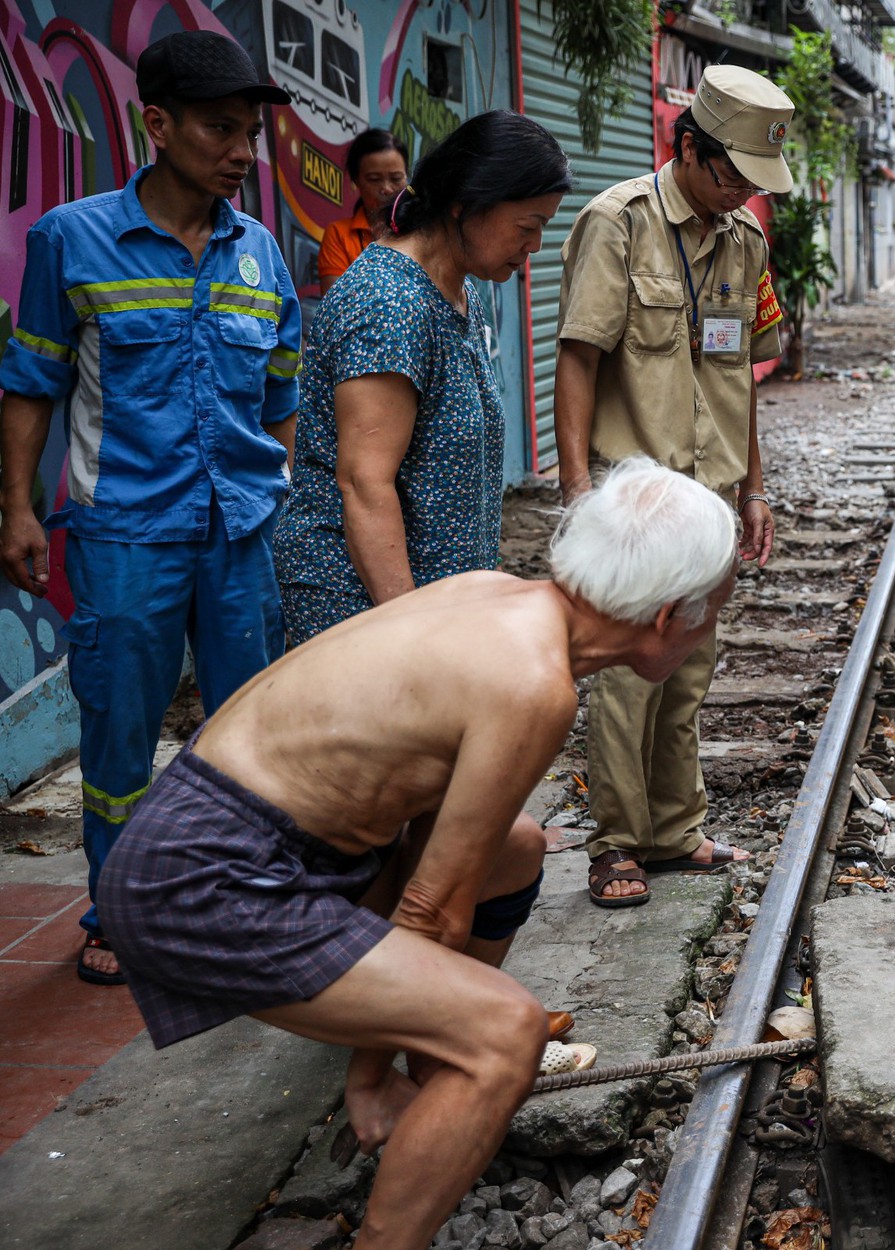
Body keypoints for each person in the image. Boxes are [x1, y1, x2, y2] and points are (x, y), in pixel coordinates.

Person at [97, 458, 738, 1250]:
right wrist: (370, 1078)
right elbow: (433, 906)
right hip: (204, 877)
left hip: (216, 842)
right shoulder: (534, 684)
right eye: (716, 613)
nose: (714, 629)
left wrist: (384, 1066)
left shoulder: (490, 592)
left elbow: (437, 845)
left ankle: (442, 1085)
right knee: (506, 1032)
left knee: (518, 849)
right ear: (670, 614)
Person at [0, 30, 300, 987]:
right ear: (157, 123)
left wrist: (274, 500)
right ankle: (117, 909)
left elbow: (282, 399)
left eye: (249, 132)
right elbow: (29, 386)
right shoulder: (71, 239)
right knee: (119, 734)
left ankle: (236, 897)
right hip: (125, 532)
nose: (241, 152)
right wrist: (16, 509)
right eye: (220, 129)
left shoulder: (263, 256)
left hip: (240, 535)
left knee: (246, 733)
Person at [553, 66, 792, 906]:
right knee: (625, 677)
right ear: (687, 146)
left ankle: (675, 828)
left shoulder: (746, 241)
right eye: (731, 176)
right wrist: (579, 491)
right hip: (635, 500)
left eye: (753, 185)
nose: (739, 196)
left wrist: (755, 490)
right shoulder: (616, 223)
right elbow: (579, 355)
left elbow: (742, 378)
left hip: (713, 499)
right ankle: (615, 842)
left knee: (689, 669)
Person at [275, 111, 571, 643]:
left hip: (436, 604)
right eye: (528, 227)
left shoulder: (459, 289)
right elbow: (365, 484)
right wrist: (410, 633)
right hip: (364, 614)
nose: (536, 246)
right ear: (465, 204)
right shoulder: (389, 302)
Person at [316, 128, 409, 288]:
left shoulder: (421, 229)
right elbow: (336, 305)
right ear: (356, 180)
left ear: (407, 177)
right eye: (374, 179)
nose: (386, 188)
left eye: (396, 179)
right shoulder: (339, 235)